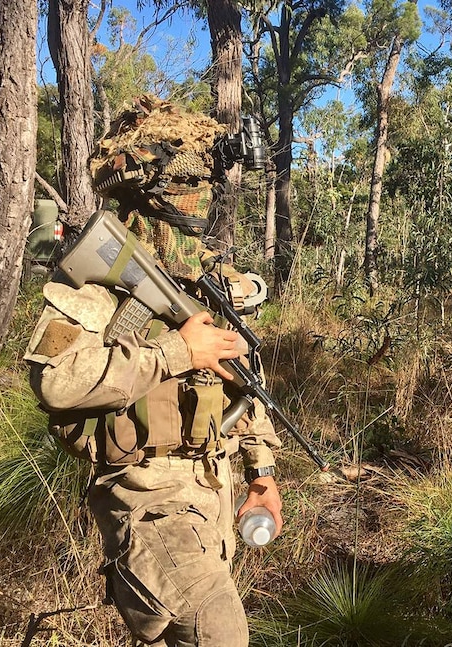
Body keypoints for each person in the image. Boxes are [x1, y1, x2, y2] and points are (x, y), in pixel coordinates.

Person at [24, 96, 282, 646]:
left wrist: (261, 470)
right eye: (185, 191)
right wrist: (175, 354)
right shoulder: (104, 280)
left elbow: (243, 380)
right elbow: (56, 382)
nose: (197, 205)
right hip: (146, 498)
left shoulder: (204, 281)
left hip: (211, 492)